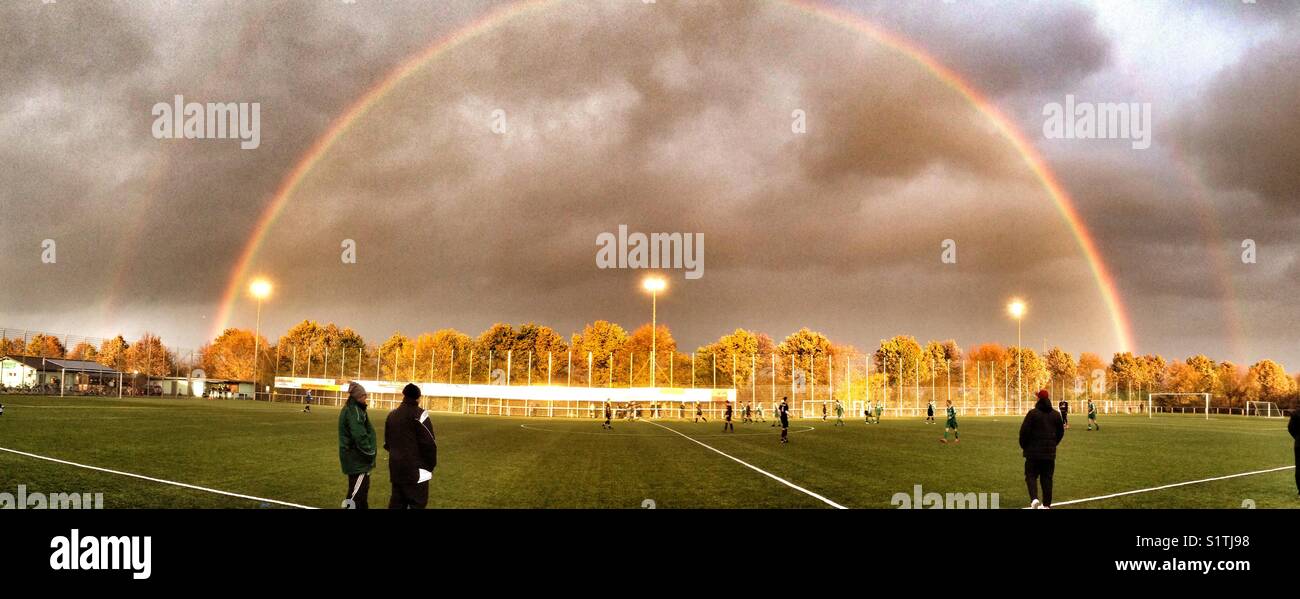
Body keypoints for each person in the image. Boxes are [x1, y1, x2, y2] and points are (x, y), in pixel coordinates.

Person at [384, 383, 437, 509]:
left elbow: (388, 443)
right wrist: (429, 466)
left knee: (397, 504)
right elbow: (429, 443)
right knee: (417, 504)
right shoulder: (420, 415)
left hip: (396, 469)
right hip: (416, 471)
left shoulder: (391, 415)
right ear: (418, 398)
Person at [1020, 389, 1065, 509]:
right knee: (1047, 479)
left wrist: (1024, 446)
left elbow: (1023, 432)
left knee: (1030, 475)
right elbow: (1061, 432)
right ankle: (1046, 505)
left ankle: (1034, 499)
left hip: (1033, 454)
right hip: (1049, 455)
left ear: (1038, 399)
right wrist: (1053, 444)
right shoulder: (1056, 414)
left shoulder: (1032, 414)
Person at [338, 382, 377, 509]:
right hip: (358, 459)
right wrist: (370, 452)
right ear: (357, 397)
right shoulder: (354, 411)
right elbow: (359, 436)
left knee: (361, 493)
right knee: (355, 495)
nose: (366, 398)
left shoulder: (355, 409)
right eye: (364, 396)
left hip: (356, 459)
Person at [1289, 407, 1299, 497]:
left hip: (1299, 444)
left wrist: (1297, 438)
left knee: (1299, 468)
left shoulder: (1295, 413)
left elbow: (1290, 428)